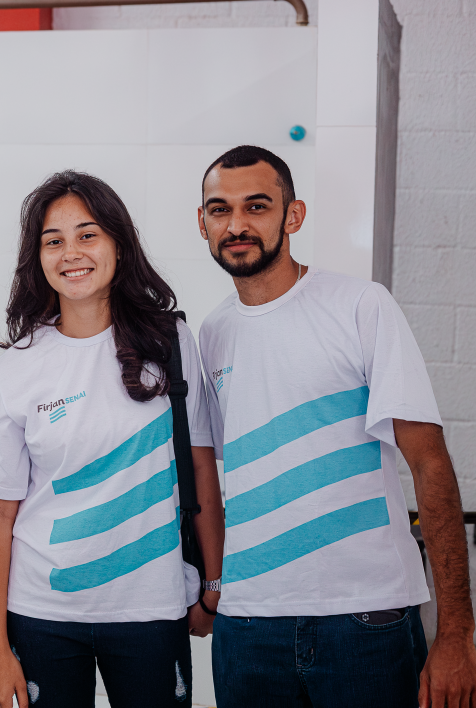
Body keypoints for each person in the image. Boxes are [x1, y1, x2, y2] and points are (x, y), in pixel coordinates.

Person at [197, 145, 476, 708]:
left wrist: (456, 634)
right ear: (202, 223)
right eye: (220, 209)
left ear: (293, 216)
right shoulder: (213, 332)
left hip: (365, 620)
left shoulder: (361, 305)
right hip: (248, 624)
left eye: (257, 206)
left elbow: (429, 463)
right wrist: (215, 587)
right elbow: (229, 480)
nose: (237, 225)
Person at [0, 171, 225, 708]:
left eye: (87, 235)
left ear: (119, 246)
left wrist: (214, 586)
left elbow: (200, 468)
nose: (71, 253)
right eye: (53, 241)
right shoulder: (17, 367)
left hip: (152, 607)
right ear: (37, 257)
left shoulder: (170, 342)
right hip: (42, 612)